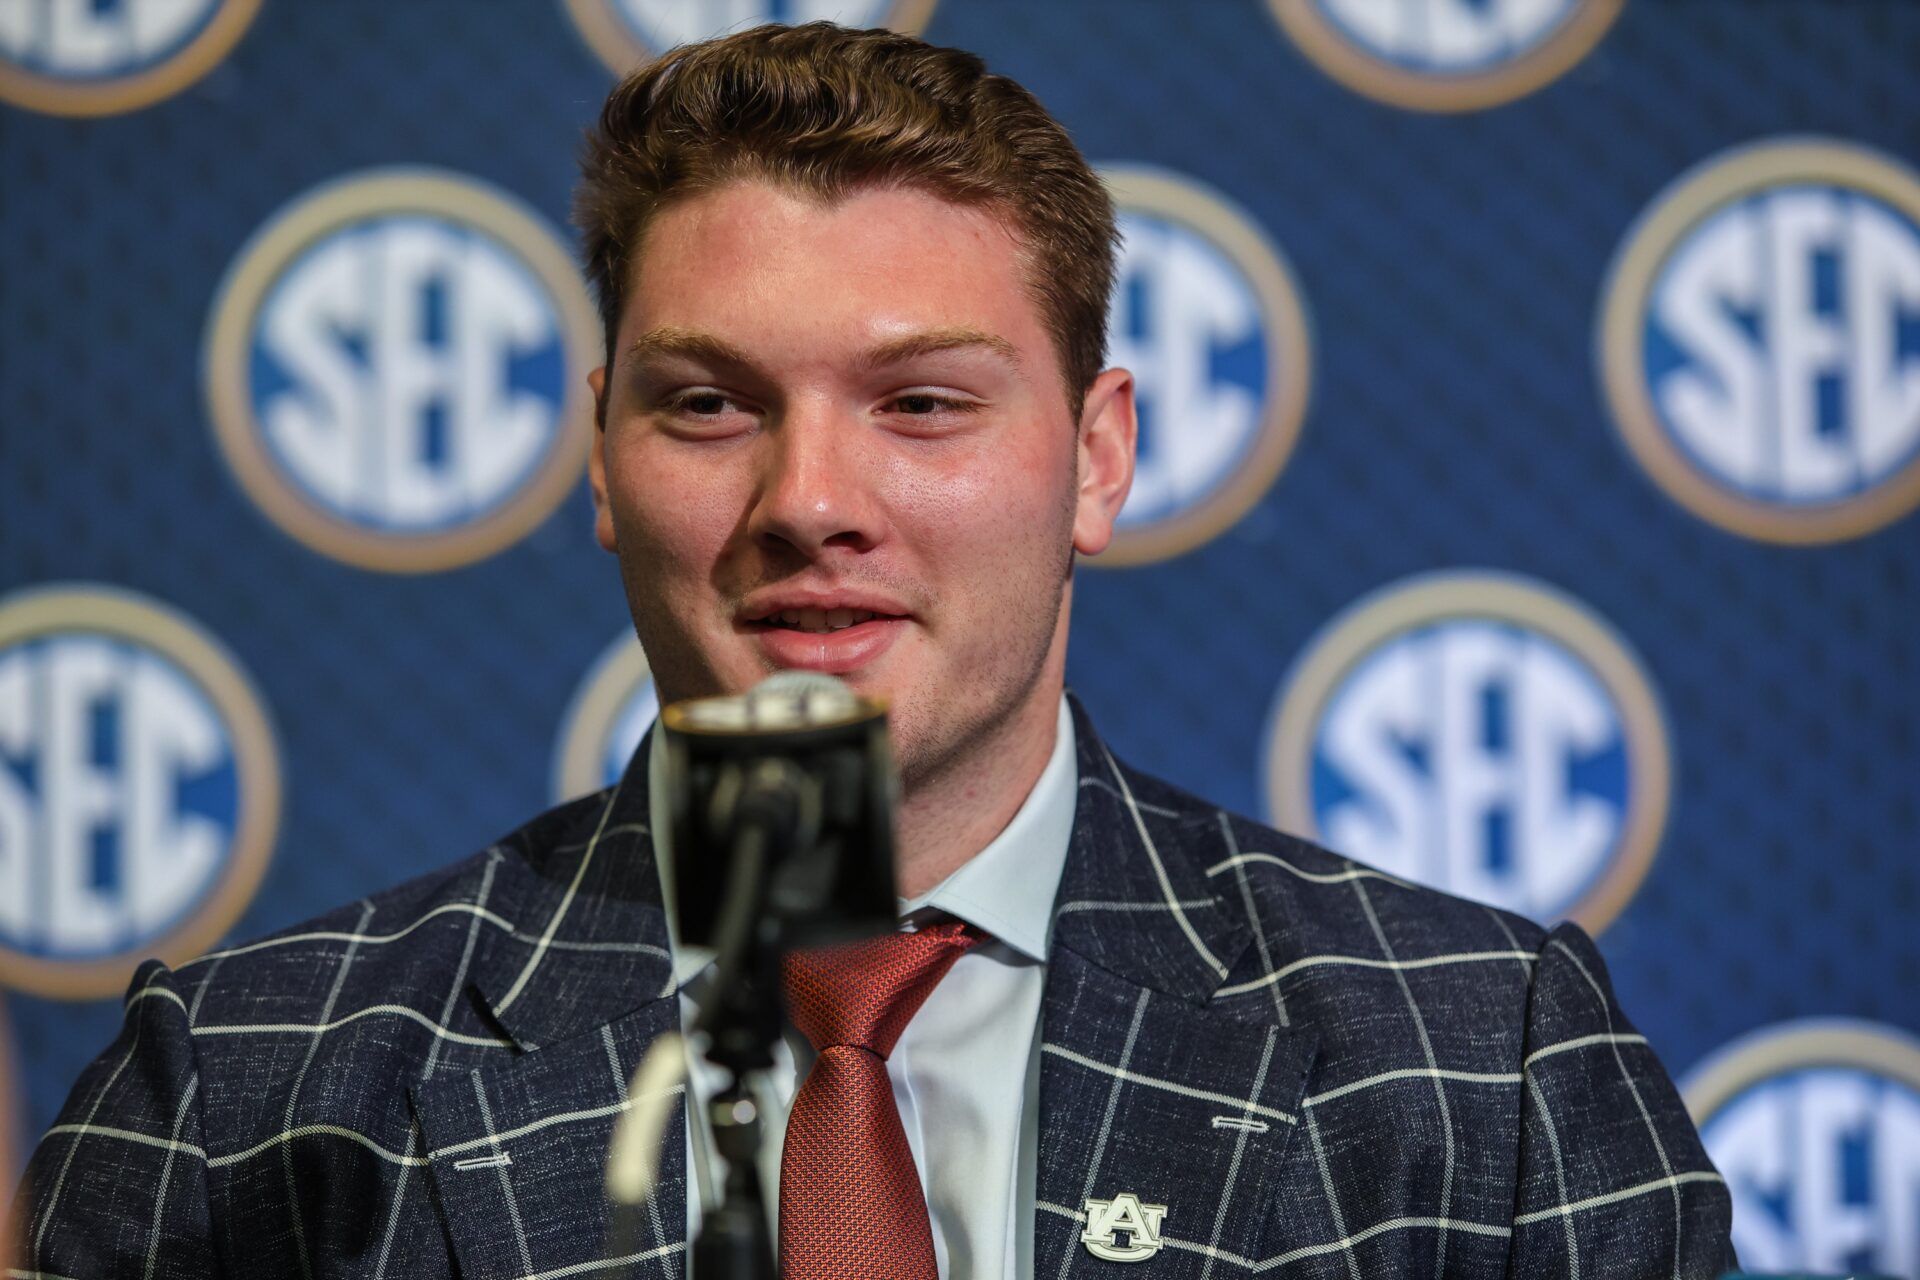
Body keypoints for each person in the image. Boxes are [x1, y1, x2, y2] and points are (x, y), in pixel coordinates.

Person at [10, 21, 1735, 1280]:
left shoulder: (1478, 1070)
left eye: (921, 404)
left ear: (1098, 458)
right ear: (600, 454)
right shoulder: (243, 1096)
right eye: (708, 405)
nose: (809, 501)